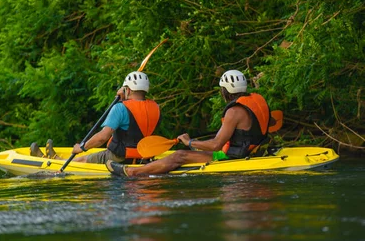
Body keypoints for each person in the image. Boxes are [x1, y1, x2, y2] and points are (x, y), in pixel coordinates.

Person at [106, 69, 271, 177]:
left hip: (233, 156)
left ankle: (135, 172)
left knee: (179, 155)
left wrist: (190, 142)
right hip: (253, 149)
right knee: (183, 152)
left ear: (224, 90)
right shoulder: (257, 100)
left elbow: (216, 146)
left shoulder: (233, 112)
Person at [30, 71, 161, 165]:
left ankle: (55, 161)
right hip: (144, 158)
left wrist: (81, 147)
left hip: (119, 158)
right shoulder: (156, 108)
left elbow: (102, 137)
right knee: (94, 154)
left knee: (83, 158)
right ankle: (55, 158)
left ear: (128, 89)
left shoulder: (120, 108)